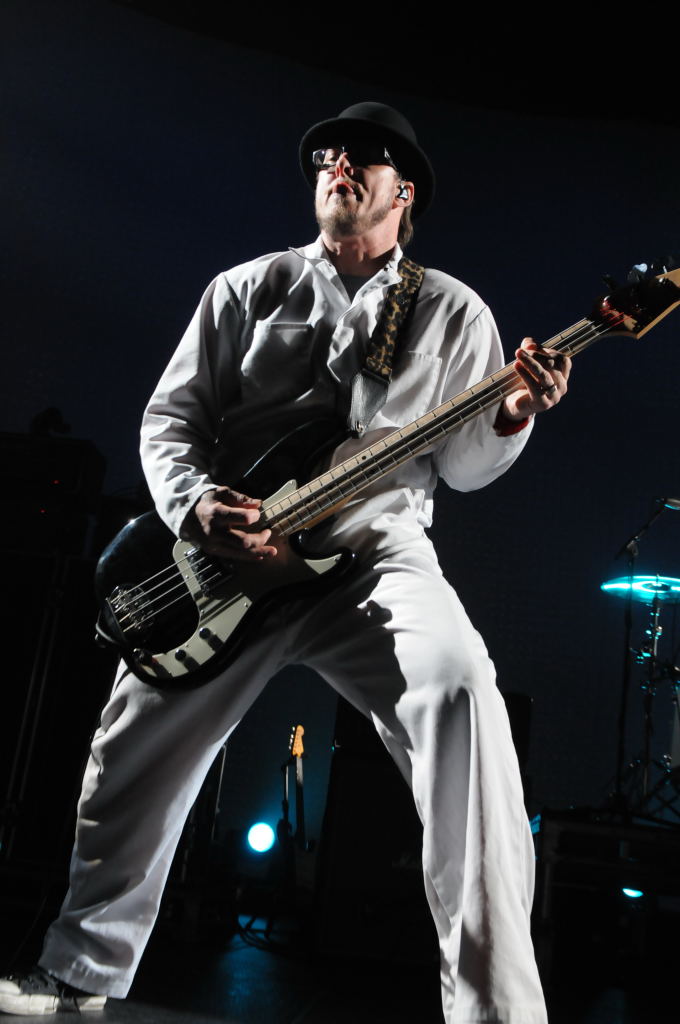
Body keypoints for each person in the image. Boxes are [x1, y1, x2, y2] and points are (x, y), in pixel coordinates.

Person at [0, 102, 570, 1022]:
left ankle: (499, 1010)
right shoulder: (246, 288)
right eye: (327, 154)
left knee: (465, 695)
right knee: (132, 742)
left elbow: (464, 468)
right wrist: (197, 508)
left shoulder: (454, 309)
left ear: (404, 191)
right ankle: (78, 972)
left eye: (364, 156)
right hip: (233, 556)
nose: (338, 163)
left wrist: (511, 413)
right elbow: (171, 421)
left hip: (375, 553)